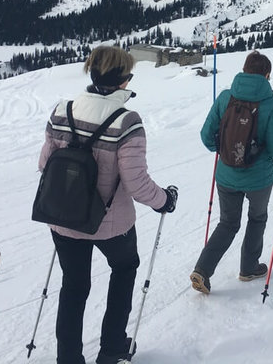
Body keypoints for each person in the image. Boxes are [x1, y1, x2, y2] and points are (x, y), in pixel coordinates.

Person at [37, 45, 177, 364]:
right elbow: (136, 183)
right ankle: (112, 348)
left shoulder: (62, 111)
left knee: (74, 286)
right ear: (123, 80)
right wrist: (164, 200)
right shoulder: (127, 122)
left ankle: (68, 358)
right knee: (124, 268)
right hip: (110, 224)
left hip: (63, 218)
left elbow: (45, 164)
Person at [191, 51, 273, 294]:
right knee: (257, 218)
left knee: (228, 223)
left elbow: (206, 136)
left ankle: (202, 270)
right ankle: (248, 268)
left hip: (226, 175)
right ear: (267, 75)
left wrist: (222, 150)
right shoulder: (271, 104)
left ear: (243, 70)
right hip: (259, 179)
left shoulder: (225, 97)